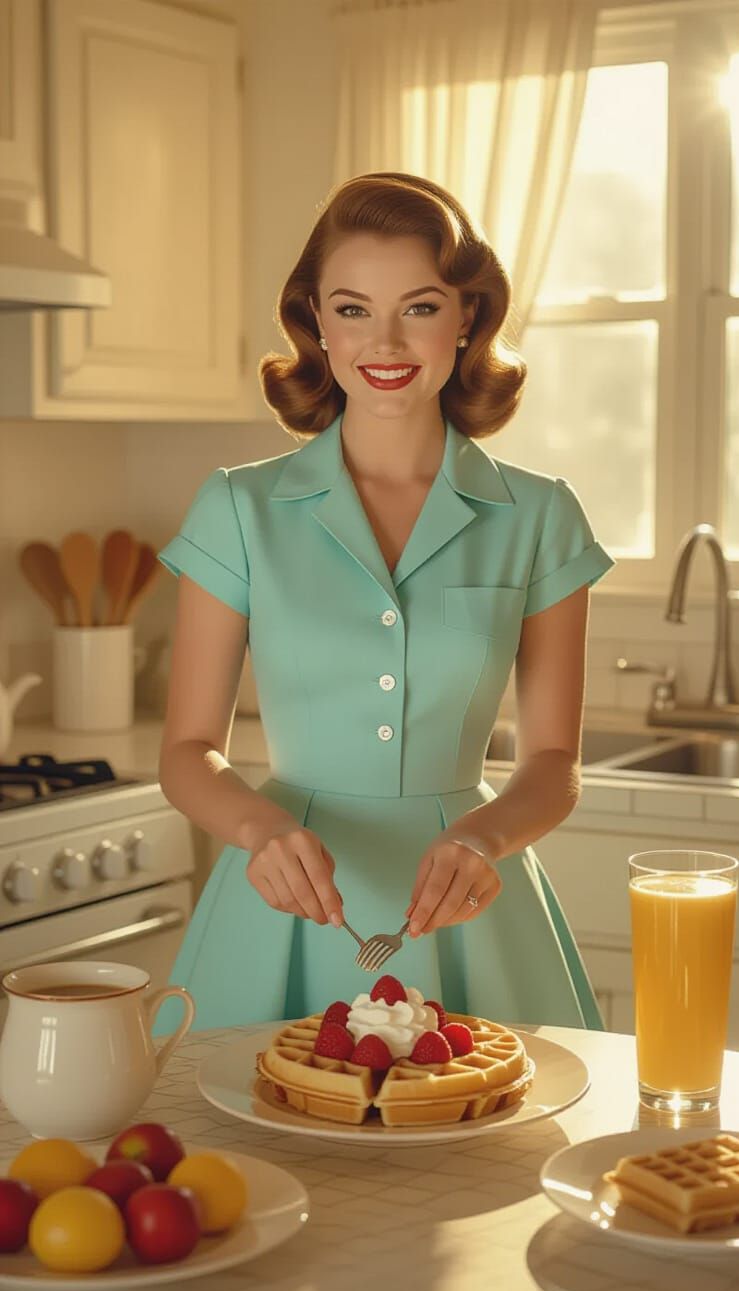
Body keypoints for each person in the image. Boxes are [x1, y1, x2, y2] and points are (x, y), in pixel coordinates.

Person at [153, 171, 614, 1037]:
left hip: (473, 908)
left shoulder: (543, 515)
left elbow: (555, 761)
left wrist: (487, 839)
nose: (386, 339)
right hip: (284, 904)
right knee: (243, 1161)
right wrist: (258, 829)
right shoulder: (238, 507)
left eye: (422, 306)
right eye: (354, 308)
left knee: (491, 1155)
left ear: (468, 317)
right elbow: (185, 750)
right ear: (317, 323)